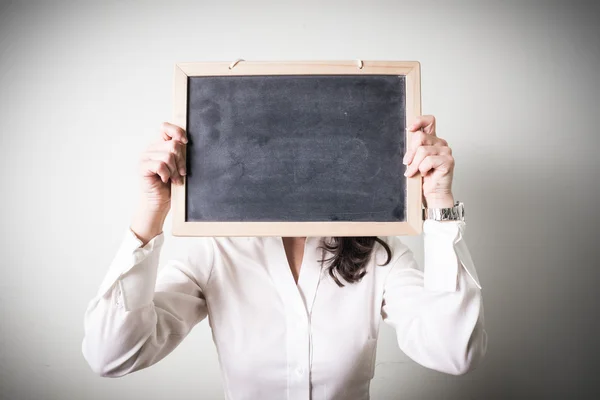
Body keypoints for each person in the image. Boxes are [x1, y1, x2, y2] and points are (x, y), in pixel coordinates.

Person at [82, 115, 487, 400]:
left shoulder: (379, 252)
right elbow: (112, 353)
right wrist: (151, 211)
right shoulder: (217, 250)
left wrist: (439, 202)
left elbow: (453, 350)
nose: (297, 160)